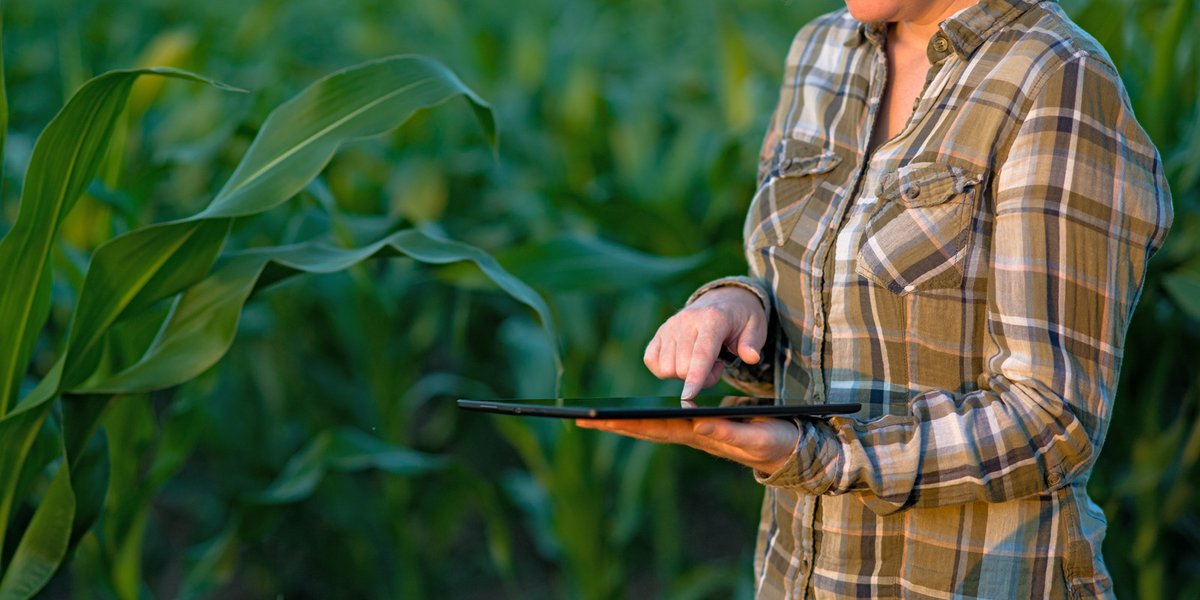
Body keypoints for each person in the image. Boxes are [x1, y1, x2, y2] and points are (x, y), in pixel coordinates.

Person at [576, 0, 1174, 597]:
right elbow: (823, 302)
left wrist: (824, 456)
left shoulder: (1057, 78)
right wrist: (736, 312)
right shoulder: (822, 51)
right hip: (799, 576)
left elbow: (1051, 419)